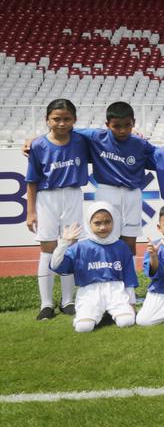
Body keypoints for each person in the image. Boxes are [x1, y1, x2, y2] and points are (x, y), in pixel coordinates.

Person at [26, 99, 91, 320]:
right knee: (47, 249)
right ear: (47, 120)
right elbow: (32, 180)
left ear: (74, 120)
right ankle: (46, 304)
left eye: (66, 119)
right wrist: (31, 211)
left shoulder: (81, 140)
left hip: (72, 194)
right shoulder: (38, 145)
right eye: (56, 119)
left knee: (70, 247)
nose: (61, 123)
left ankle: (68, 301)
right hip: (47, 198)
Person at [68, 101, 155, 257]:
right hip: (106, 192)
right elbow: (65, 129)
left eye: (127, 125)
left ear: (133, 123)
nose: (122, 130)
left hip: (132, 194)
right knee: (105, 238)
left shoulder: (140, 143)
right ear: (107, 124)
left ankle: (129, 280)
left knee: (129, 241)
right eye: (116, 126)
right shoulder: (95, 136)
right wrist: (33, 140)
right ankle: (106, 275)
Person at [49, 203, 138, 333]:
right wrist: (64, 242)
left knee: (127, 321)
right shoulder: (80, 247)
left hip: (115, 291)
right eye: (97, 223)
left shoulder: (121, 246)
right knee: (83, 328)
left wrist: (132, 303)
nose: (103, 227)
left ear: (114, 221)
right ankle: (97, 312)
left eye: (107, 222)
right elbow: (55, 265)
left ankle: (108, 311)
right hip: (89, 293)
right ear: (88, 224)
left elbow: (129, 277)